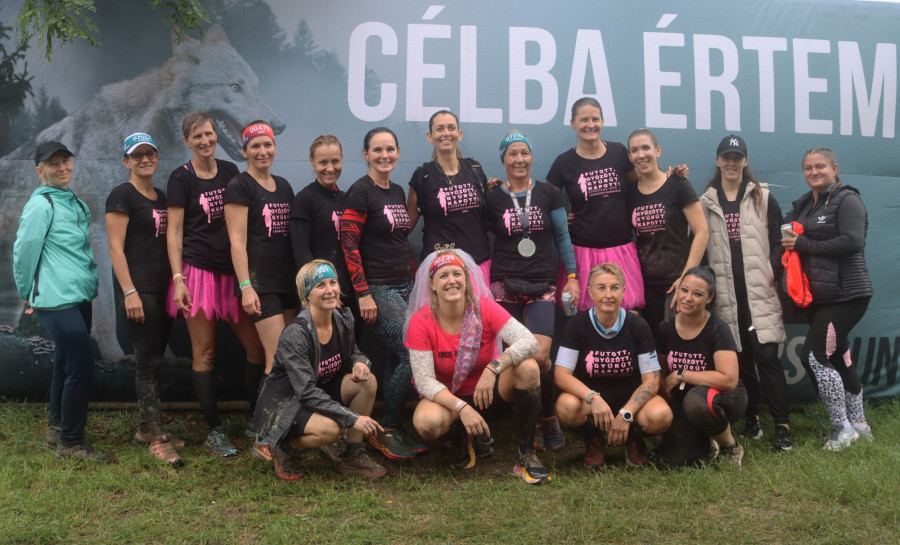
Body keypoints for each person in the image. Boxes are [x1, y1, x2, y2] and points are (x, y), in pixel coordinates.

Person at [406, 247, 551, 484]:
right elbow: (424, 381)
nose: (451, 281)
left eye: (457, 274)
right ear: (432, 285)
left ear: (467, 280)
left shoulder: (484, 307)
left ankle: (526, 455)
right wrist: (462, 408)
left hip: (488, 395)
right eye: (443, 275)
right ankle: (459, 436)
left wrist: (494, 367)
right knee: (426, 423)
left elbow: (529, 342)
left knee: (529, 368)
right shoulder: (421, 321)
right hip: (449, 402)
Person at [166, 111, 265, 458]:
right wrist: (178, 279)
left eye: (209, 134)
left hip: (233, 274)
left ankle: (257, 419)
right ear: (187, 142)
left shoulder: (230, 171)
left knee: (257, 349)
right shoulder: (181, 178)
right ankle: (215, 430)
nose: (205, 141)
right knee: (205, 352)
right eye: (197, 137)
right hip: (197, 274)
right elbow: (174, 232)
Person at [545, 97, 688, 311]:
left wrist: (670, 176)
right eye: (584, 120)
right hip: (583, 252)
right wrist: (559, 219)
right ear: (573, 123)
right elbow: (544, 199)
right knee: (588, 314)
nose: (590, 125)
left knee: (629, 312)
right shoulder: (564, 162)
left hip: (621, 249)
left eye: (595, 119)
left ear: (603, 122)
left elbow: (643, 184)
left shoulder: (619, 152)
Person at [485, 130, 580, 452]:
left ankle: (547, 416)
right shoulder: (493, 197)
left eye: (524, 153)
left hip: (542, 283)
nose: (519, 159)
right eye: (512, 154)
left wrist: (572, 276)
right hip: (505, 285)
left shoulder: (549, 193)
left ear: (531, 157)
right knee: (515, 360)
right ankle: (528, 424)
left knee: (538, 356)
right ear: (503, 160)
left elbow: (562, 237)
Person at [13, 141, 107, 462]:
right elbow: (24, 253)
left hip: (79, 296)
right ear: (40, 171)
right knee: (81, 366)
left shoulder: (74, 201)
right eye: (53, 164)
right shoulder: (41, 206)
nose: (62, 167)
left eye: (66, 161)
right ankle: (71, 443)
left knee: (65, 362)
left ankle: (56, 429)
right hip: (56, 300)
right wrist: (27, 292)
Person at [252, 260, 386, 480]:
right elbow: (305, 392)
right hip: (289, 403)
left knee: (368, 381)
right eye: (320, 285)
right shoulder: (296, 333)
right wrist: (352, 418)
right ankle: (283, 446)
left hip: (321, 390)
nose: (330, 290)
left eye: (332, 282)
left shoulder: (343, 318)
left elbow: (355, 353)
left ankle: (353, 453)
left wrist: (360, 362)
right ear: (306, 294)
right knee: (330, 430)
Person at [700, 134, 791, 451]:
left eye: (737, 158)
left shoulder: (762, 196)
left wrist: (772, 271)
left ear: (745, 161)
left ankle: (782, 426)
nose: (731, 163)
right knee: (740, 360)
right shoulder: (706, 202)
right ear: (717, 161)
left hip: (758, 297)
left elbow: (779, 242)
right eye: (726, 157)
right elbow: (700, 250)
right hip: (727, 298)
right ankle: (752, 417)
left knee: (767, 358)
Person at [340, 127, 424, 459]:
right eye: (377, 150)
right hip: (378, 286)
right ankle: (387, 427)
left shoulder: (398, 190)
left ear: (398, 152)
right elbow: (349, 244)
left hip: (406, 285)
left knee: (393, 357)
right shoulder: (360, 192)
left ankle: (392, 426)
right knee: (410, 351)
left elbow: (399, 239)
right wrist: (362, 292)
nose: (384, 155)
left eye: (390, 149)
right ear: (365, 155)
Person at [782, 148, 874, 451]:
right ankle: (859, 424)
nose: (814, 172)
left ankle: (841, 428)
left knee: (814, 356)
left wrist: (804, 244)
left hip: (847, 295)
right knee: (838, 357)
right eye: (808, 167)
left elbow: (853, 241)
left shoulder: (848, 199)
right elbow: (785, 232)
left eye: (820, 166)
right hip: (819, 297)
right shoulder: (804, 204)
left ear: (834, 168)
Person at [106, 133, 181, 465]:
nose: (145, 159)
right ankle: (159, 439)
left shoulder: (161, 196)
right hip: (139, 291)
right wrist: (129, 291)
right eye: (137, 155)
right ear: (127, 162)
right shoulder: (121, 195)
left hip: (162, 290)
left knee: (156, 361)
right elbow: (114, 248)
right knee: (146, 365)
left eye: (150, 153)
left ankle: (145, 430)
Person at [554, 263, 672, 467]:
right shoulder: (577, 324)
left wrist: (627, 413)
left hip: (630, 398)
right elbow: (561, 375)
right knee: (566, 407)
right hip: (592, 400)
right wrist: (592, 397)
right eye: (601, 288)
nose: (608, 295)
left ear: (624, 291)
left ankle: (634, 437)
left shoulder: (638, 325)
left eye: (614, 288)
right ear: (590, 292)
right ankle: (593, 437)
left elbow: (651, 381)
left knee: (661, 415)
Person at [225, 121, 298, 374]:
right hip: (260, 285)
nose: (262, 151)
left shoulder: (284, 186)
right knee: (277, 357)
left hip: (287, 282)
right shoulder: (239, 185)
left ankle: (274, 403)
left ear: (275, 147)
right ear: (244, 151)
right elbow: (237, 241)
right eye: (255, 146)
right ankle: (266, 404)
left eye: (268, 145)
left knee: (291, 354)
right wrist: (246, 287)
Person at [657, 267, 747, 467]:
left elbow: (729, 380)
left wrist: (682, 374)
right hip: (683, 399)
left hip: (723, 396)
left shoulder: (718, 329)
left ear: (709, 297)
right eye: (684, 290)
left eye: (697, 294)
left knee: (697, 401)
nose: (688, 298)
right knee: (678, 460)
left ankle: (730, 445)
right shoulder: (665, 328)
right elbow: (663, 377)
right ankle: (706, 437)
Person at [626, 129, 708, 341]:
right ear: (629, 156)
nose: (641, 155)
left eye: (646, 148)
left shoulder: (678, 184)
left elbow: (702, 231)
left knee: (679, 344)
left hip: (677, 282)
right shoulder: (630, 193)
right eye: (634, 150)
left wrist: (686, 279)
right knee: (655, 347)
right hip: (645, 285)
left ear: (658, 150)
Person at [407, 110, 498, 283]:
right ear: (430, 137)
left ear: (459, 134)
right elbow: (406, 226)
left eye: (451, 128)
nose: (446, 133)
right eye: (439, 129)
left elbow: (488, 213)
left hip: (477, 265)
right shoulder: (422, 176)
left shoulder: (475, 169)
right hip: (439, 269)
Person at [291, 135, 359, 333]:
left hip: (349, 293)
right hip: (323, 297)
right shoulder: (304, 199)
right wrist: (326, 291)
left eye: (335, 161)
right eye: (323, 162)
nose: (330, 168)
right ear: (312, 161)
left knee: (351, 346)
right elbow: (302, 252)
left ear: (342, 159)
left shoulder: (347, 199)